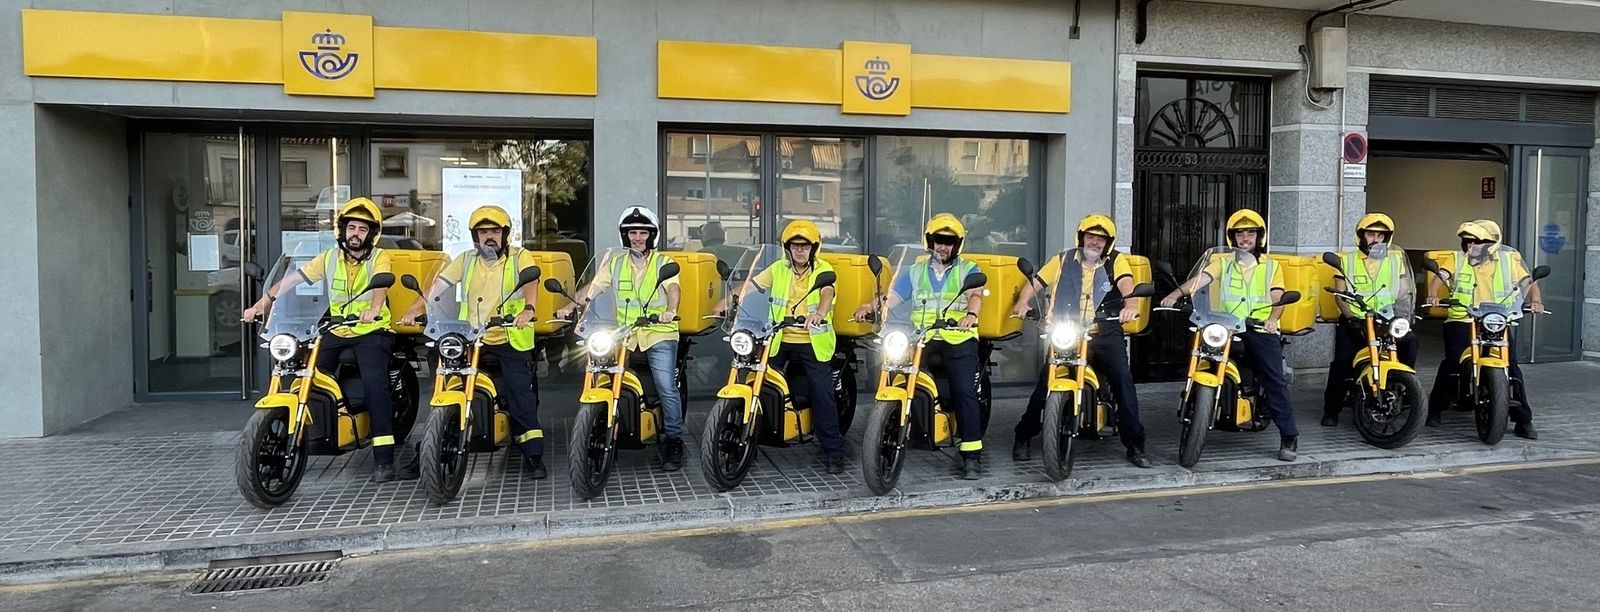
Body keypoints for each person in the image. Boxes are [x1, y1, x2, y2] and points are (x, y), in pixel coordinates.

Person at [242, 198, 415, 482]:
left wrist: (373, 309)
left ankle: (384, 461)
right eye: (351, 227)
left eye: (362, 228)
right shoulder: (329, 258)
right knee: (304, 376)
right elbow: (293, 280)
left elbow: (382, 283)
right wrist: (263, 303)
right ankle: (299, 437)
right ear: (342, 230)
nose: (355, 233)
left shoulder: (379, 257)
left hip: (371, 331)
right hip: (335, 329)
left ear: (371, 234)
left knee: (375, 385)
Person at [398, 205, 547, 478]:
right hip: (471, 336)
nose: (489, 236)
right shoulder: (465, 260)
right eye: (482, 232)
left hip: (509, 336)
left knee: (518, 394)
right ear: (474, 236)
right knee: (448, 385)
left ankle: (533, 455)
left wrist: (529, 309)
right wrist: (416, 308)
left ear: (505, 234)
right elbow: (438, 286)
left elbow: (532, 282)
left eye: (494, 231)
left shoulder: (520, 257)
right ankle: (427, 450)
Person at [854, 213, 988, 479]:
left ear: (957, 245)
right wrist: (871, 307)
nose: (943, 246)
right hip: (920, 338)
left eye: (949, 242)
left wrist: (971, 316)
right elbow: (891, 297)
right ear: (930, 242)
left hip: (956, 338)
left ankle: (971, 454)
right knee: (893, 371)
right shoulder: (914, 272)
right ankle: (897, 426)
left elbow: (975, 295)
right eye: (938, 240)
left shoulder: (968, 270)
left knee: (963, 390)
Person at [1160, 209, 1300, 461]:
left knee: (1273, 378)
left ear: (1259, 237)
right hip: (1223, 324)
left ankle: (1289, 436)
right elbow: (1201, 279)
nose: (1245, 237)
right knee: (1196, 353)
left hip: (1257, 325)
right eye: (1240, 233)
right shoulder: (1222, 262)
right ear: (1232, 237)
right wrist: (1176, 294)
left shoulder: (1271, 266)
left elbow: (1278, 296)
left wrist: (1272, 319)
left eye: (1251, 233)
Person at [1011, 214, 1149, 468]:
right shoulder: (1063, 259)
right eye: (1091, 237)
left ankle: (1134, 444)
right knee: (1045, 384)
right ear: (1081, 238)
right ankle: (1023, 436)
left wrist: (1130, 305)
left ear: (1107, 243)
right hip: (1068, 330)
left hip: (1104, 331)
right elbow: (1037, 282)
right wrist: (1023, 301)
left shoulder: (1117, 261)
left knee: (1123, 381)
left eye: (1101, 239)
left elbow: (1127, 285)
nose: (1095, 242)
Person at [555, 206, 687, 470]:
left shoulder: (664, 264)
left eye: (642, 233)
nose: (637, 238)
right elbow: (593, 288)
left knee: (664, 384)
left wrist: (671, 311)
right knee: (603, 374)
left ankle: (674, 438)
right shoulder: (615, 263)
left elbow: (673, 288)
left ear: (652, 236)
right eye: (632, 233)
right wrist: (570, 307)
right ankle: (607, 429)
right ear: (625, 236)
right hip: (624, 334)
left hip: (658, 333)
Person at [713, 220, 847, 474]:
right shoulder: (779, 269)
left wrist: (818, 313)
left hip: (812, 341)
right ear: (787, 248)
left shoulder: (824, 270)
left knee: (821, 392)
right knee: (756, 379)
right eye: (795, 246)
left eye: (804, 246)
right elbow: (753, 285)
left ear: (813, 248)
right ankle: (749, 437)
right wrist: (728, 300)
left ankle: (834, 451)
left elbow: (827, 293)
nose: (799, 251)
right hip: (778, 339)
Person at [1425, 220, 1541, 439]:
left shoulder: (1508, 260)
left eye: (1476, 242)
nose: (1470, 246)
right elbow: (1442, 276)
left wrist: (1536, 301)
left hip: (1496, 319)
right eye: (1467, 241)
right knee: (1452, 362)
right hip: (1462, 318)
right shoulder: (1458, 259)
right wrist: (1433, 294)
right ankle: (1435, 409)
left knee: (1512, 367)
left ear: (1491, 244)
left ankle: (1523, 420)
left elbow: (1528, 280)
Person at [1320, 213, 1420, 427]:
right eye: (1371, 234)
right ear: (1361, 236)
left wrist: (1403, 320)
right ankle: (1331, 410)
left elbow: (1403, 293)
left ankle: (1406, 388)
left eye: (1381, 235)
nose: (1376, 239)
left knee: (1411, 341)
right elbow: (1340, 296)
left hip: (1385, 319)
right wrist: (1351, 318)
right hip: (1356, 319)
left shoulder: (1396, 261)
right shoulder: (1346, 261)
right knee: (1343, 361)